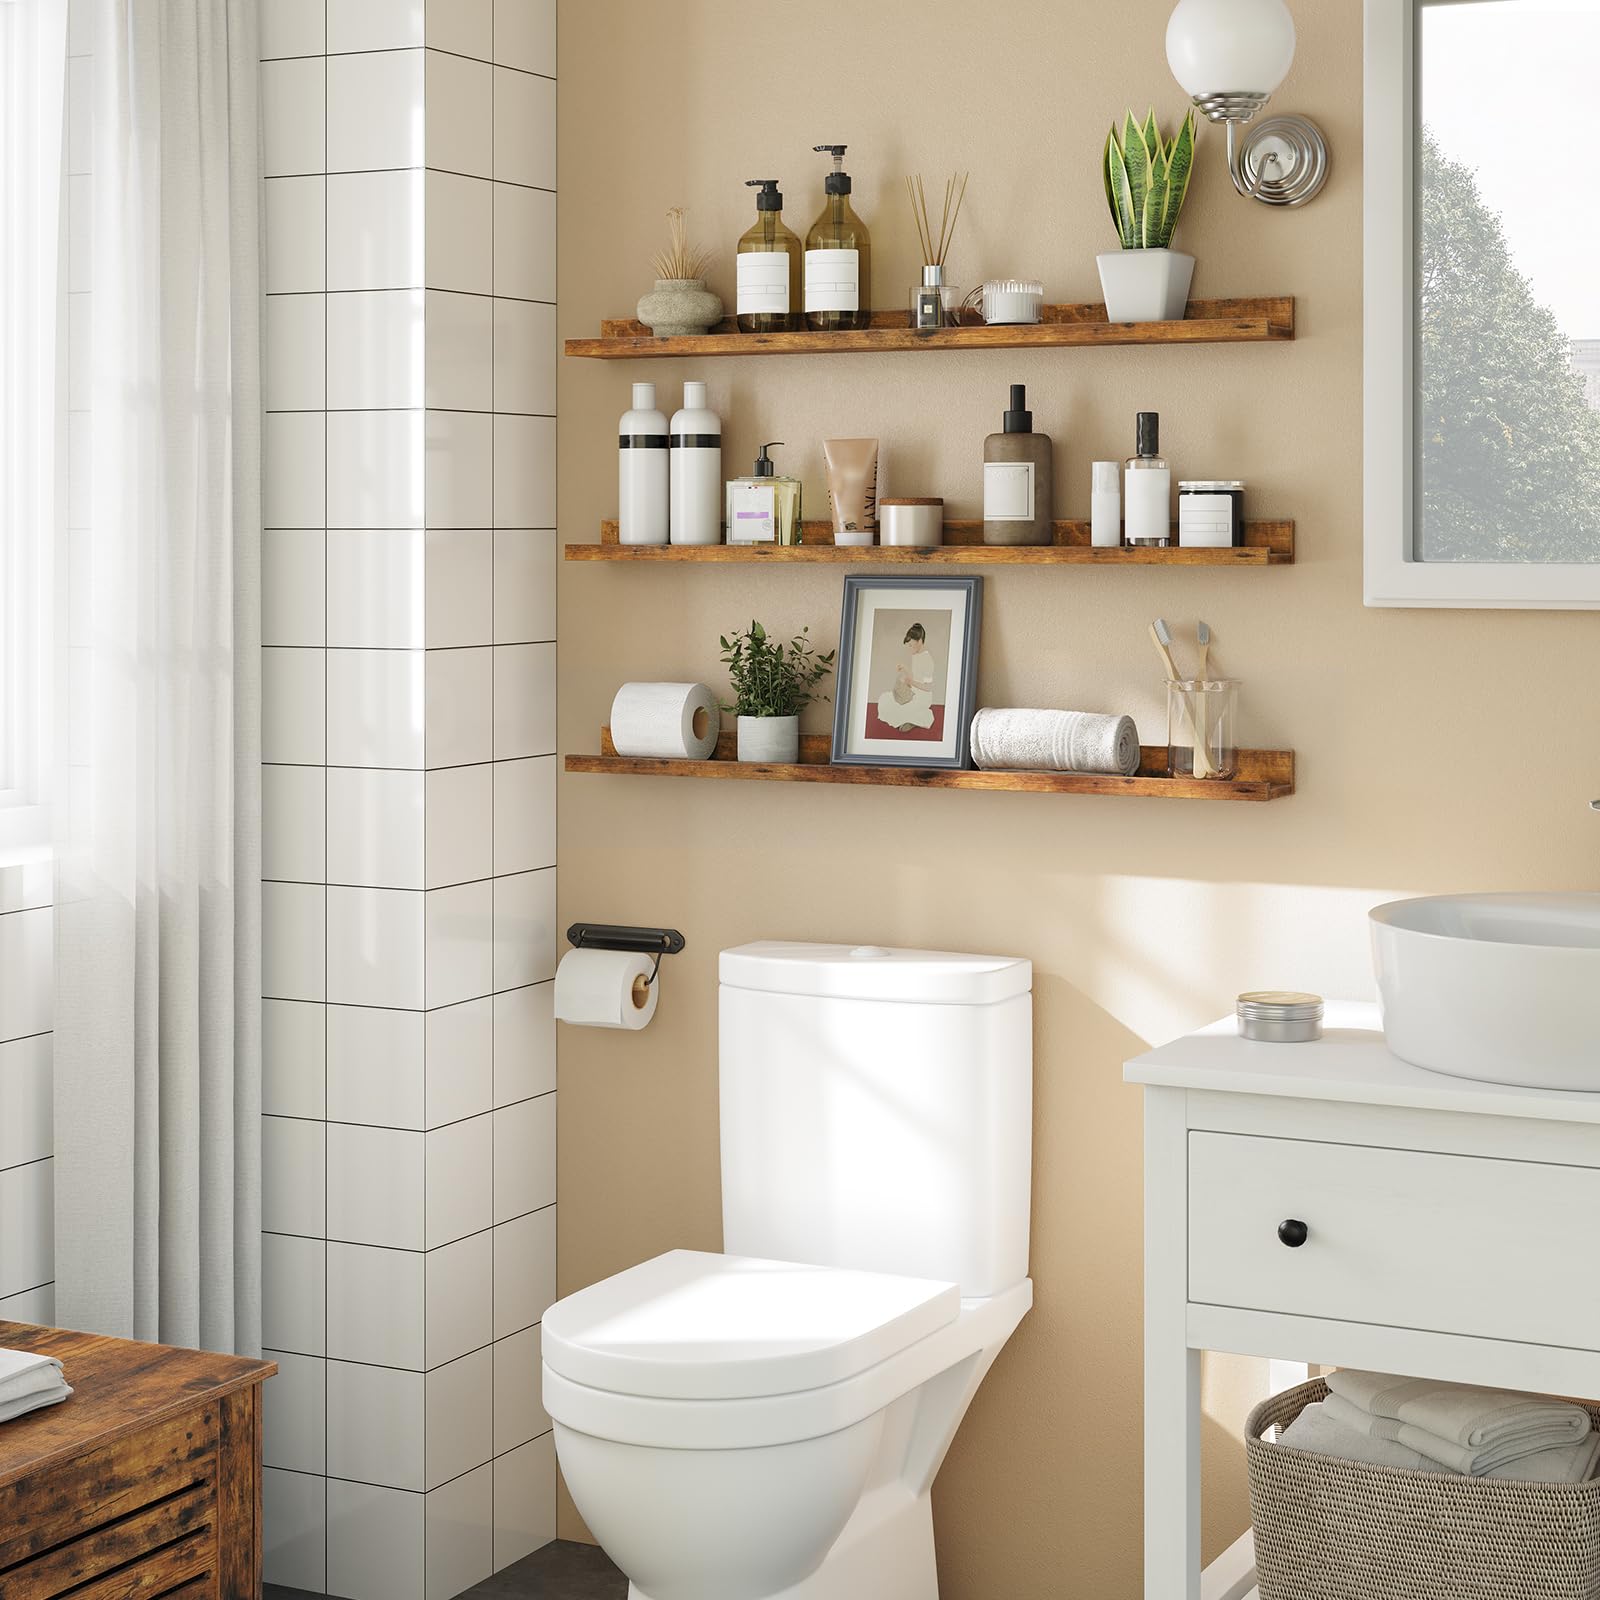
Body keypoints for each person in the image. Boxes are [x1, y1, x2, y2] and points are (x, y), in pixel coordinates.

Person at [876, 622, 937, 732]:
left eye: (910, 645)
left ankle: (917, 719)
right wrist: (905, 669)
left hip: (923, 697)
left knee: (901, 709)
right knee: (884, 699)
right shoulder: (916, 656)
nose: (909, 648)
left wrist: (911, 682)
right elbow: (915, 677)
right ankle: (912, 719)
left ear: (919, 641)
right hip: (913, 693)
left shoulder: (928, 660)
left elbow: (928, 687)